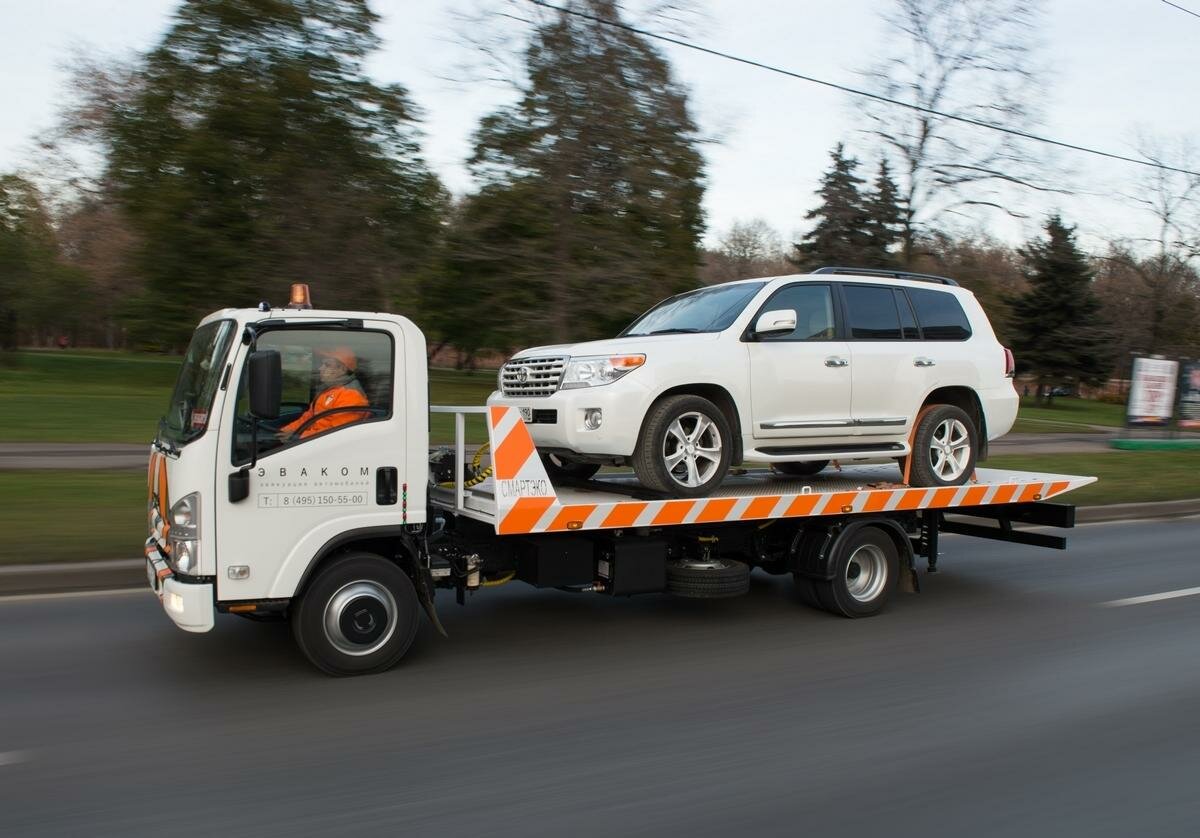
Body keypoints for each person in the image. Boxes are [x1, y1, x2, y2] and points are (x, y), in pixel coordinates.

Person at [279, 346, 370, 440]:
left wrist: (297, 437)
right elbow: (307, 418)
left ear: (342, 370)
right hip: (311, 441)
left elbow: (336, 434)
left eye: (327, 365)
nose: (320, 368)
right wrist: (284, 431)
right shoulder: (328, 390)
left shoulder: (351, 396)